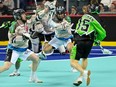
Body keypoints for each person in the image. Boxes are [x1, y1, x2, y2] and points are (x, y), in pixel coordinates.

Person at [0, 9, 43, 83]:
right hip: (14, 49)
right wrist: (23, 37)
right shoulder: (14, 26)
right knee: (6, 67)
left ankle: (33, 78)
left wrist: (43, 12)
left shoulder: (26, 21)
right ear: (18, 16)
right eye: (23, 14)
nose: (25, 15)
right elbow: (12, 40)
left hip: (23, 49)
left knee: (36, 59)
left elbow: (36, 17)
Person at [70, 4, 106, 86]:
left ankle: (84, 72)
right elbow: (103, 33)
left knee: (73, 62)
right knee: (84, 58)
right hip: (89, 42)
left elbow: (78, 28)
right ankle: (80, 77)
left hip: (79, 40)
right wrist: (97, 39)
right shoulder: (99, 19)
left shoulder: (84, 16)